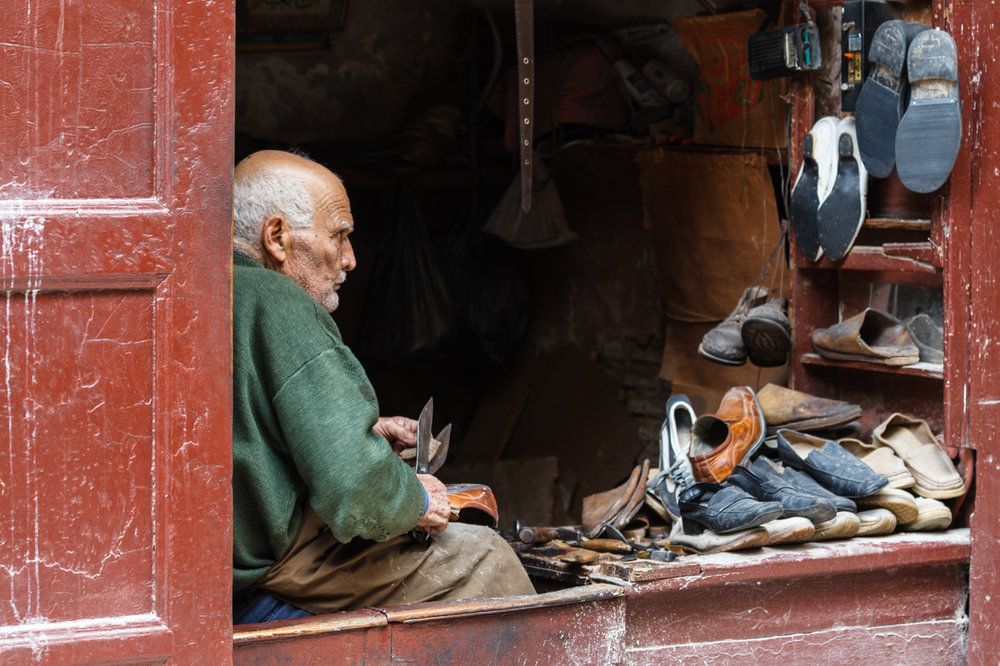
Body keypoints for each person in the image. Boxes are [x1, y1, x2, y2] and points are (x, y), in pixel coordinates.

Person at [231, 150, 534, 623]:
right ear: (277, 237)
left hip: (225, 560)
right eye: (339, 236)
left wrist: (364, 433)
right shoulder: (280, 303)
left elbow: (256, 428)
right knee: (485, 557)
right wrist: (414, 501)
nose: (350, 259)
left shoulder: (211, 286)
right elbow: (355, 491)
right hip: (270, 567)